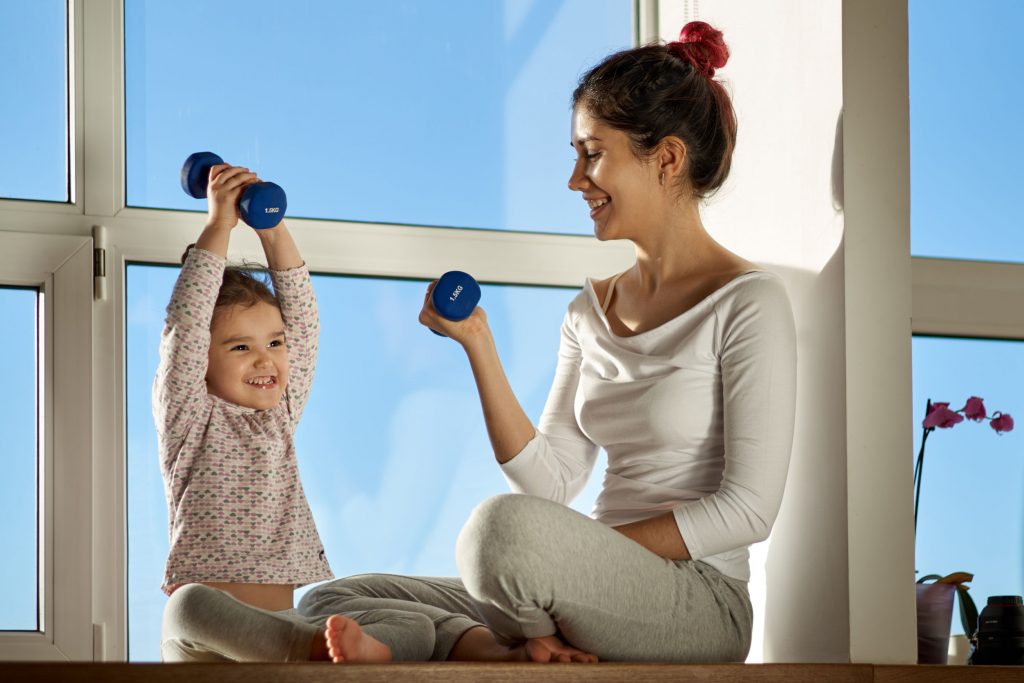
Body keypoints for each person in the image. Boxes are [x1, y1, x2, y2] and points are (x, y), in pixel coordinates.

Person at [299, 20, 797, 663]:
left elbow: (749, 510)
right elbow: (552, 482)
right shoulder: (588, 312)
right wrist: (478, 343)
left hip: (700, 602)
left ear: (667, 158)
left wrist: (585, 553)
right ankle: (502, 648)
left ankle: (512, 637)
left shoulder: (748, 303)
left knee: (498, 534)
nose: (575, 179)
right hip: (586, 576)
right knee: (334, 598)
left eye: (592, 153)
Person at [155, 163, 435, 663]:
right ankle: (310, 650)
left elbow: (304, 319)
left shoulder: (279, 415)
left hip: (285, 635)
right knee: (188, 604)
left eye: (275, 343)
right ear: (203, 361)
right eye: (240, 347)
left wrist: (272, 227)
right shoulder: (189, 416)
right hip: (214, 644)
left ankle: (327, 649)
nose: (266, 359)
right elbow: (187, 323)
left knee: (410, 623)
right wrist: (220, 224)